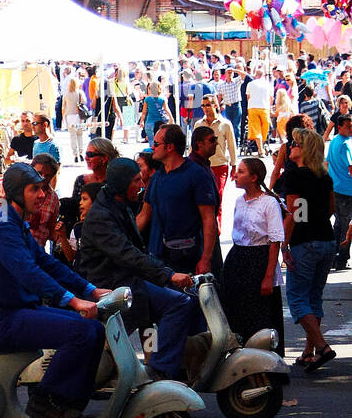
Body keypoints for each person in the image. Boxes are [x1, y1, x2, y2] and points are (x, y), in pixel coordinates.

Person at [0, 163, 110, 418]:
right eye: (34, 190)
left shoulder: (14, 220)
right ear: (16, 192)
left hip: (18, 308)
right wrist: (73, 300)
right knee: (80, 333)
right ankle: (45, 400)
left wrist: (90, 290)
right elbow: (28, 272)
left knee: (95, 329)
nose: (42, 195)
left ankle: (69, 403)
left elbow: (46, 263)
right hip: (1, 316)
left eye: (42, 189)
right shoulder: (2, 226)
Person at [76, 158, 195, 381]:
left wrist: (165, 274)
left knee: (165, 309)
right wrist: (168, 275)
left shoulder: (119, 204)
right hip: (114, 286)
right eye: (136, 180)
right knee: (178, 304)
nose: (141, 185)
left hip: (130, 281)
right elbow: (128, 255)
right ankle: (160, 368)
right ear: (121, 183)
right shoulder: (102, 216)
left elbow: (137, 251)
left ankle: (155, 363)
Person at [283, 129, 338, 371]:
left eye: (295, 143)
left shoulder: (295, 176)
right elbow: (329, 209)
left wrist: (284, 244)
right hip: (326, 239)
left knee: (297, 297)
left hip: (305, 242)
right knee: (314, 296)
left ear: (305, 149)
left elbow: (295, 213)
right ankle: (309, 351)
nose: (291, 147)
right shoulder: (324, 176)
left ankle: (323, 347)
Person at [221, 158, 286, 356]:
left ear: (254, 177)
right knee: (237, 308)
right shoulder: (240, 200)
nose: (235, 175)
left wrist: (268, 276)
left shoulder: (269, 203)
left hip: (260, 259)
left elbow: (275, 241)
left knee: (261, 310)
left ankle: (264, 357)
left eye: (241, 172)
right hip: (239, 257)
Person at [139, 124, 218, 276]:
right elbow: (144, 216)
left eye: (156, 144)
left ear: (170, 147)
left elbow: (209, 219)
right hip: (159, 258)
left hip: (188, 257)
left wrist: (206, 259)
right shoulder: (156, 177)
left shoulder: (196, 175)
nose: (152, 147)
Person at [327, 114, 352, 271]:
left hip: (336, 189)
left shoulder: (335, 140)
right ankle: (342, 258)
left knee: (339, 225)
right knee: (347, 227)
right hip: (346, 191)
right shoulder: (344, 144)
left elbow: (327, 162)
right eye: (348, 126)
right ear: (339, 126)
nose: (351, 128)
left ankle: (334, 257)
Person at [201, 98, 237, 203]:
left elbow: (231, 144)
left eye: (208, 105)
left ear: (215, 105)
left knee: (218, 197)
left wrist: (234, 165)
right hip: (203, 166)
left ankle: (218, 220)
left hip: (220, 166)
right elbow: (193, 146)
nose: (205, 108)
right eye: (203, 105)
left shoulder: (225, 124)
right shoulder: (199, 124)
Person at [54, 182, 100, 264]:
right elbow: (71, 257)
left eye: (84, 199)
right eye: (81, 199)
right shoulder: (78, 228)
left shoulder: (104, 227)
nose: (80, 202)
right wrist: (63, 236)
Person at [27, 153, 61, 249]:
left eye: (47, 176)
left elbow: (51, 230)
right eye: (39, 173)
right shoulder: (15, 186)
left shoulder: (53, 199)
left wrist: (61, 236)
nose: (42, 178)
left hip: (37, 253)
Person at [245, 66, 273, 153]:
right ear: (264, 75)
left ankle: (260, 149)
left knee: (256, 128)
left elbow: (248, 97)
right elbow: (271, 98)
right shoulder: (268, 85)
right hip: (265, 107)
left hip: (253, 107)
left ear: (255, 75)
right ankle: (261, 147)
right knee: (264, 128)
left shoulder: (250, 84)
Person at [62, 76, 86, 164]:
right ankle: (81, 152)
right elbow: (84, 102)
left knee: (72, 135)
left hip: (69, 116)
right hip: (78, 116)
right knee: (80, 134)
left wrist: (63, 118)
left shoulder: (66, 94)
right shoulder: (80, 93)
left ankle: (75, 154)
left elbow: (63, 107)